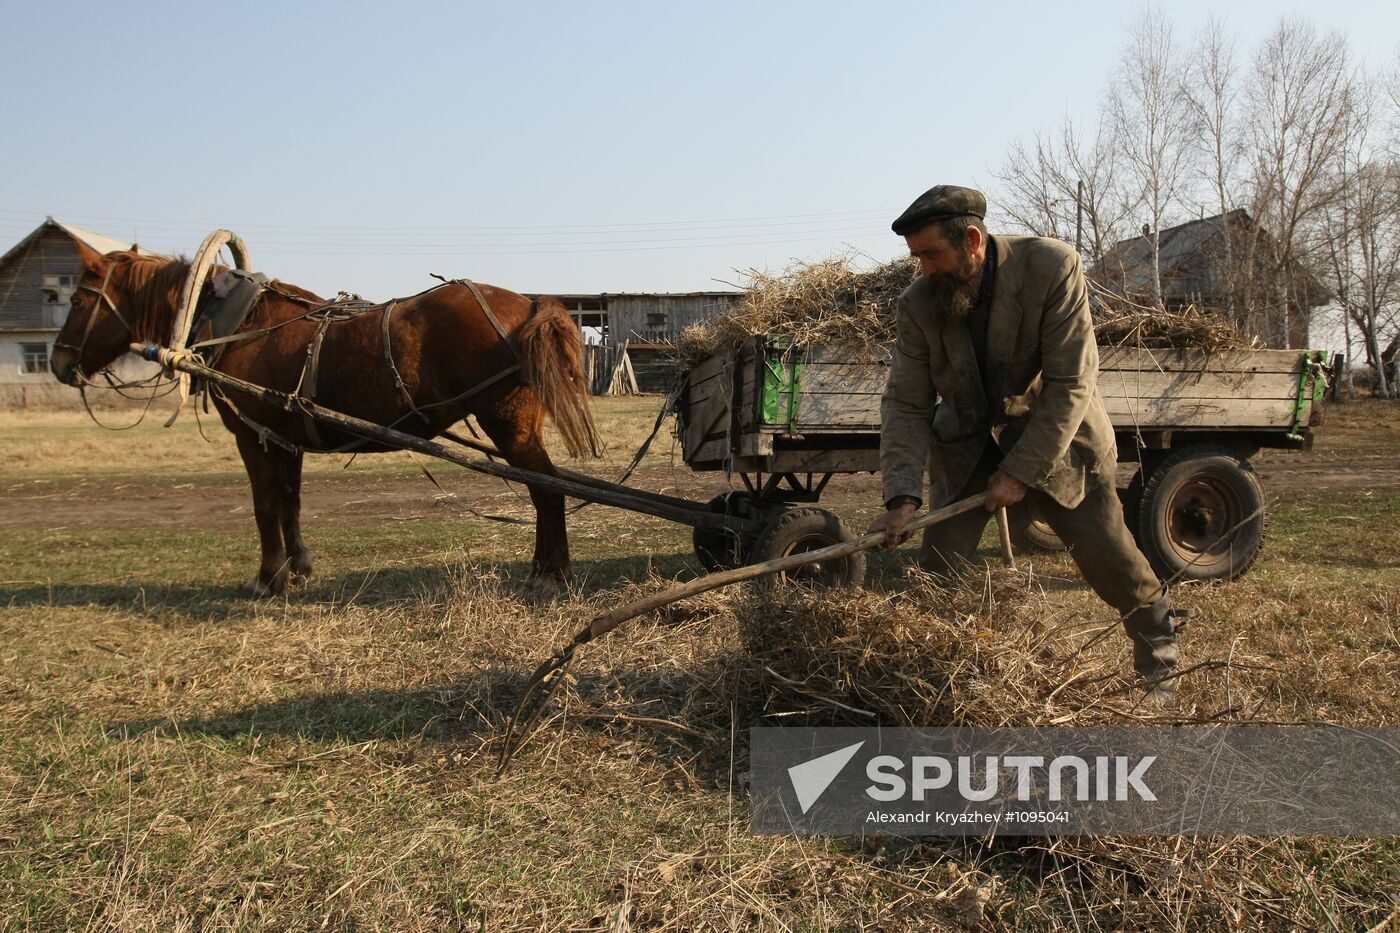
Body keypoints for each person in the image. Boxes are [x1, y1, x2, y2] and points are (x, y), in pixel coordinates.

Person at [866, 184, 1180, 703]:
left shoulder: (1051, 267)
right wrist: (901, 497)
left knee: (1111, 561)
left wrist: (1020, 472)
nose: (923, 269)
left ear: (972, 240)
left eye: (931, 255)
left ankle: (1159, 660)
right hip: (969, 445)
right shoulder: (919, 303)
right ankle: (936, 682)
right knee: (940, 573)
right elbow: (904, 403)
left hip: (1057, 440)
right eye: (916, 257)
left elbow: (1071, 382)